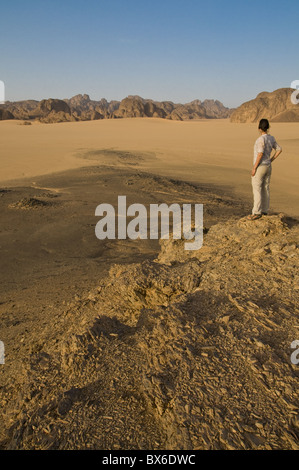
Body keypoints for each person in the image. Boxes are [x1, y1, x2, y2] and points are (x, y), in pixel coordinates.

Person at [248, 118, 282, 220]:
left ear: (259, 128)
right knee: (266, 188)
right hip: (268, 166)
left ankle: (256, 212)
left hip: (260, 166)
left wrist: (254, 168)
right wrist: (271, 160)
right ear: (268, 127)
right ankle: (265, 210)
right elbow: (279, 149)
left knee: (257, 188)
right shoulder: (271, 138)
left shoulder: (260, 140)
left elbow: (260, 153)